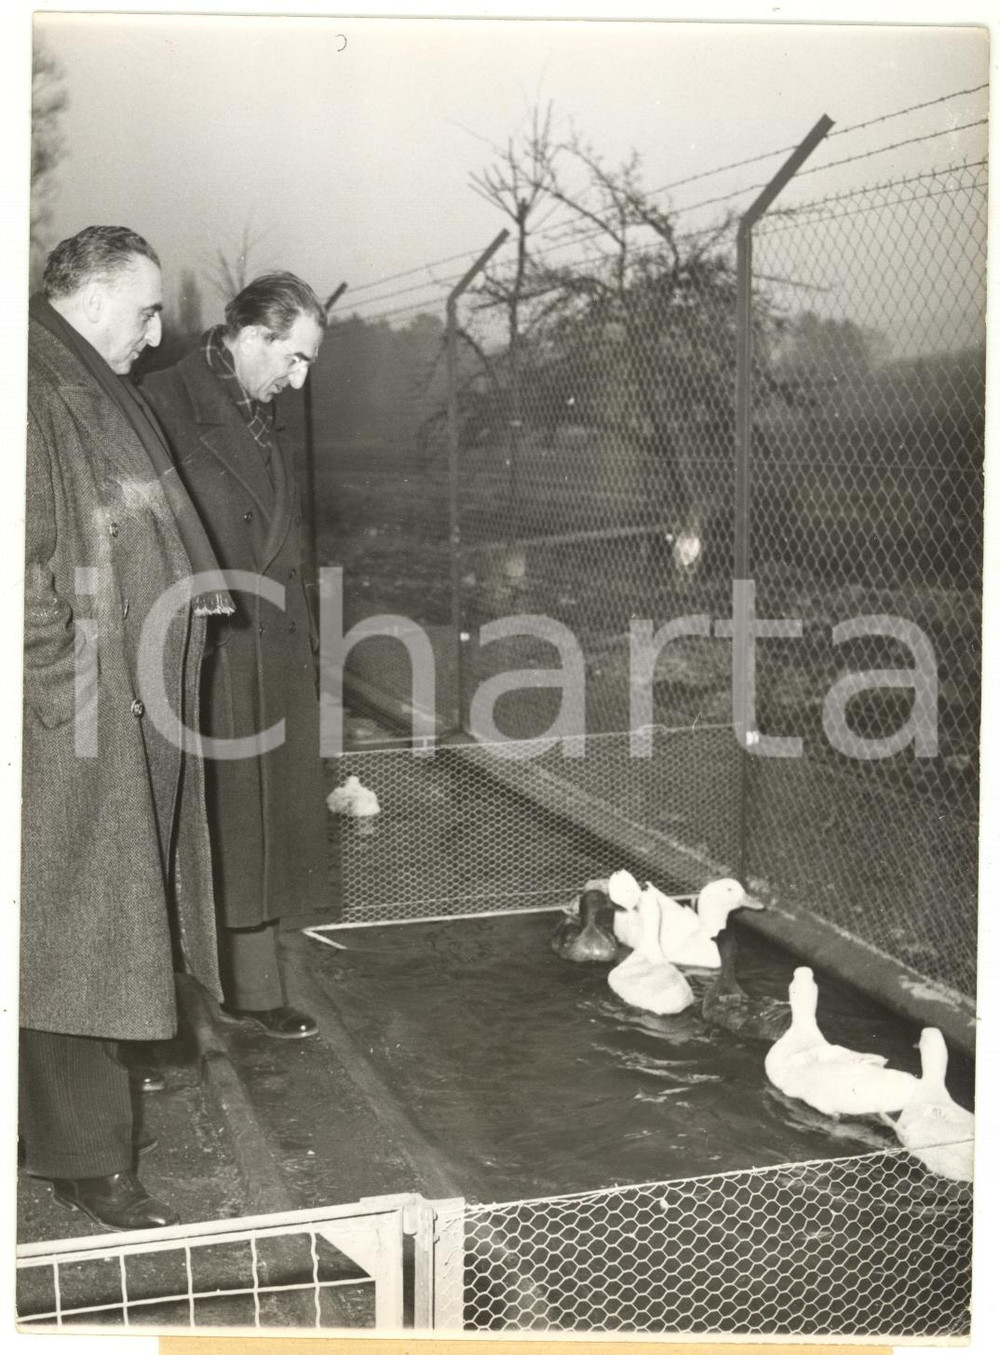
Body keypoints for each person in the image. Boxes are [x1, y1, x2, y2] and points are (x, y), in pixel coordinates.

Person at [21, 226, 232, 1230]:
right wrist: (72, 687)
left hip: (123, 697)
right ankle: (84, 1159)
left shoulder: (82, 376)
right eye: (146, 309)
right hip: (80, 711)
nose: (155, 334)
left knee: (92, 918)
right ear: (96, 296)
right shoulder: (30, 382)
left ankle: (66, 1129)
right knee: (78, 923)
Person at [142, 272, 337, 1040]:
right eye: (293, 357)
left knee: (257, 827)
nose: (301, 377)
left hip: (272, 650)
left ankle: (253, 991)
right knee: (191, 828)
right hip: (205, 652)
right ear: (251, 336)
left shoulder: (263, 415)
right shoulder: (164, 403)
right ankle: (154, 1012)